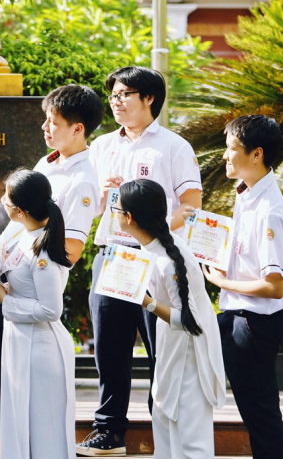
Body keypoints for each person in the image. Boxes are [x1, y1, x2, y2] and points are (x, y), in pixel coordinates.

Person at [79, 66, 202, 457]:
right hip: (113, 255)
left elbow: (192, 207)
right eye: (113, 96)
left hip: (156, 258)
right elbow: (92, 208)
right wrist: (101, 195)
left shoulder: (173, 146)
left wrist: (152, 229)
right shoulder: (99, 147)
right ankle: (108, 431)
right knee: (109, 347)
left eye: (124, 94)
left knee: (159, 346)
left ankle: (162, 430)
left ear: (149, 98)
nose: (116, 102)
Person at [0, 84, 103, 436]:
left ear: (78, 129)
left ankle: (18, 445)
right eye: (45, 120)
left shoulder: (82, 180)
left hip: (27, 294)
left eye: (54, 122)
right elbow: (18, 222)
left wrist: (21, 259)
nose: (45, 128)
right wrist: (0, 248)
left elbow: (70, 251)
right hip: (2, 283)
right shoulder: (46, 163)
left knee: (8, 381)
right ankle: (13, 445)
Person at [203, 115, 283, 459]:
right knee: (254, 411)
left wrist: (224, 281)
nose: (224, 156)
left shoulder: (268, 210)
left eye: (231, 149)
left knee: (260, 413)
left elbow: (275, 286)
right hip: (237, 314)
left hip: (255, 321)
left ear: (256, 154)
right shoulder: (247, 194)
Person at [114, 179, 225, 459]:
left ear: (129, 218)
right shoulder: (152, 247)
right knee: (163, 421)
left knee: (189, 436)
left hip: (190, 353)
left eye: (115, 208)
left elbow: (190, 321)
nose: (112, 213)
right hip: (170, 345)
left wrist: (147, 303)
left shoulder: (170, 259)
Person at [0, 169, 75, 459]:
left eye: (6, 196)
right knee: (22, 425)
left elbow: (50, 309)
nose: (1, 200)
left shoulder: (42, 250)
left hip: (40, 348)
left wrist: (3, 299)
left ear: (19, 210)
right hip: (23, 342)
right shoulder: (26, 235)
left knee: (43, 433)